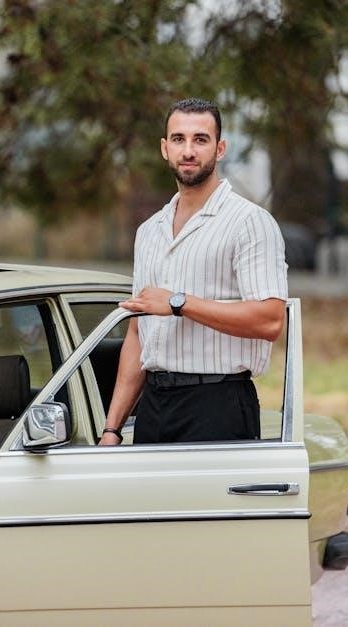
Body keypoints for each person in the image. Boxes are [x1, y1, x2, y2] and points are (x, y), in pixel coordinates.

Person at [99, 97, 288, 446]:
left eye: (200, 139)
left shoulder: (250, 223)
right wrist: (112, 429)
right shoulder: (149, 231)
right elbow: (137, 334)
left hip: (218, 404)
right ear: (164, 148)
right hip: (153, 406)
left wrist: (179, 303)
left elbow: (270, 321)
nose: (188, 151)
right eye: (178, 139)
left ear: (220, 148)